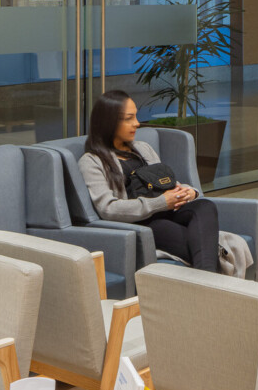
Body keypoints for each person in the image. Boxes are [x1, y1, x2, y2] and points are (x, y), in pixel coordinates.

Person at [80, 89, 220, 272]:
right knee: (203, 245)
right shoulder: (92, 161)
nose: (137, 123)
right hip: (142, 222)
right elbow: (108, 209)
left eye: (136, 116)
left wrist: (188, 191)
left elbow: (167, 183)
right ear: (109, 121)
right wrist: (161, 202)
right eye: (129, 118)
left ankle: (209, 286)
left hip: (169, 210)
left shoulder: (143, 148)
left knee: (205, 206)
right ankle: (213, 286)